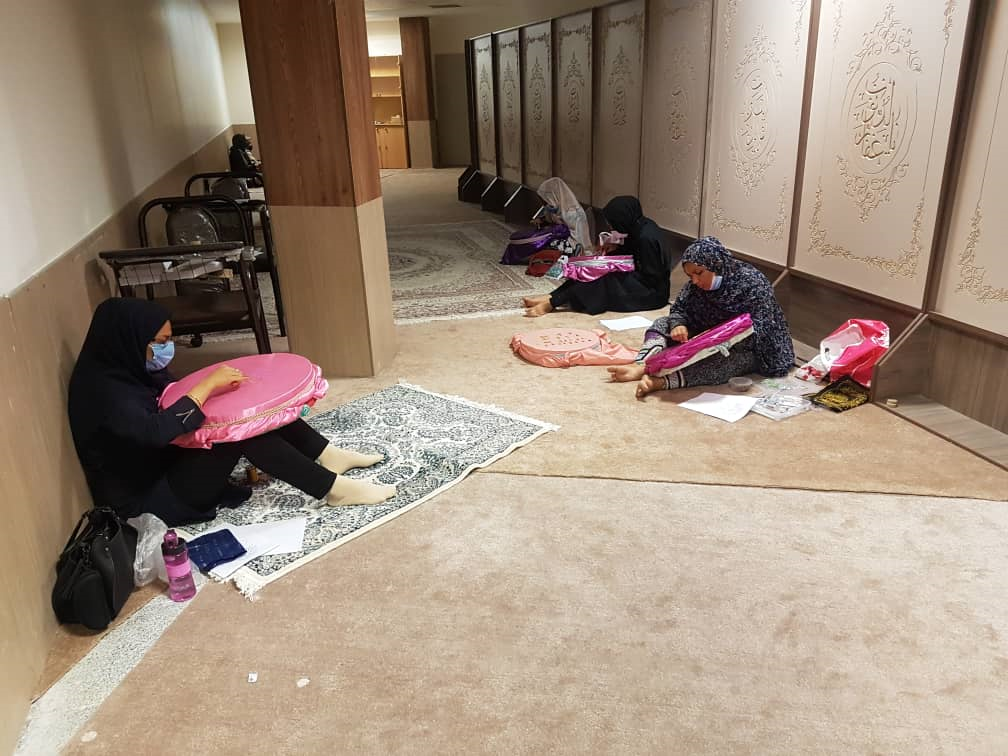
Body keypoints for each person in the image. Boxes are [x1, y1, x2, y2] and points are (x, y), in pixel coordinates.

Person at [68, 298, 396, 527]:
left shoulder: (127, 368)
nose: (167, 349)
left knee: (247, 409)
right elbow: (155, 432)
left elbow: (171, 395)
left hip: (165, 467)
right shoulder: (104, 392)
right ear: (129, 339)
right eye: (160, 341)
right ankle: (333, 489)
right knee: (238, 433)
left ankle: (328, 455)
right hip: (149, 501)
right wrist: (207, 386)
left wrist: (218, 391)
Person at [608, 236, 794, 398]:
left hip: (746, 346)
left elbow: (762, 329)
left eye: (699, 273)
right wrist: (679, 325)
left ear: (716, 265)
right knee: (663, 324)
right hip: (707, 332)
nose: (695, 281)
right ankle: (642, 364)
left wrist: (714, 342)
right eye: (690, 276)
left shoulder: (752, 283)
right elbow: (680, 308)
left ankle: (661, 382)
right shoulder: (695, 286)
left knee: (724, 362)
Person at [523, 195, 670, 317]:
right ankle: (552, 296)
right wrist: (608, 257)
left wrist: (613, 270)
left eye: (613, 223)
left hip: (651, 293)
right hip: (642, 282)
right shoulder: (639, 226)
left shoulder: (646, 238)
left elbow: (651, 275)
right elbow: (631, 250)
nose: (612, 227)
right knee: (590, 270)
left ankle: (552, 303)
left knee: (600, 278)